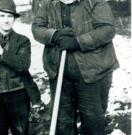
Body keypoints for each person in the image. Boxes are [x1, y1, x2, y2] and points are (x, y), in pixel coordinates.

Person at [32, 0, 119, 135]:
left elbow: (107, 30)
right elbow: (37, 28)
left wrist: (77, 42)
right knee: (63, 123)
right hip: (59, 74)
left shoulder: (94, 2)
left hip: (92, 74)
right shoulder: (48, 4)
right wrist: (54, 35)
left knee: (93, 123)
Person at [0, 0, 42, 134]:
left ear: (14, 19)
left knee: (21, 132)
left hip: (19, 96)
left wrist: (1, 51)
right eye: (2, 16)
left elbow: (23, 65)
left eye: (10, 16)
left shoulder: (23, 41)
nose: (6, 20)